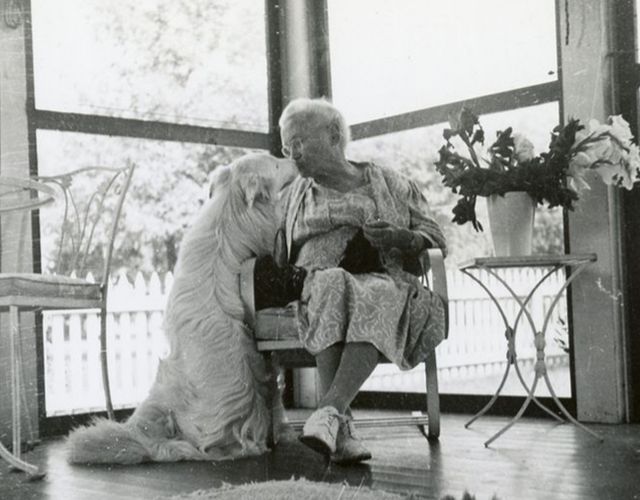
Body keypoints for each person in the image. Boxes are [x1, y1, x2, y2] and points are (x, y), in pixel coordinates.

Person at [277, 97, 447, 464]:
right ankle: (340, 423)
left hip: (379, 278)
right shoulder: (291, 196)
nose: (293, 154)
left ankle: (329, 416)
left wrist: (401, 238)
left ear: (334, 135)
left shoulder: (392, 183)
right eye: (286, 146)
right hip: (317, 285)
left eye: (298, 142)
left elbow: (435, 238)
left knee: (379, 291)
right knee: (332, 284)